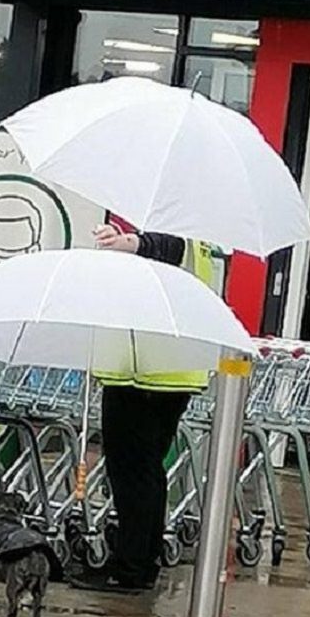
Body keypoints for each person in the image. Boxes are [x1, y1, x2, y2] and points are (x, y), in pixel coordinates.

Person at [69, 224, 210, 593]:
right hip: (172, 374)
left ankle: (129, 569)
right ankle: (142, 565)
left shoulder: (178, 232)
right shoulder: (203, 242)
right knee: (148, 473)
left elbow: (165, 246)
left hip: (142, 374)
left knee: (131, 474)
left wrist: (128, 244)